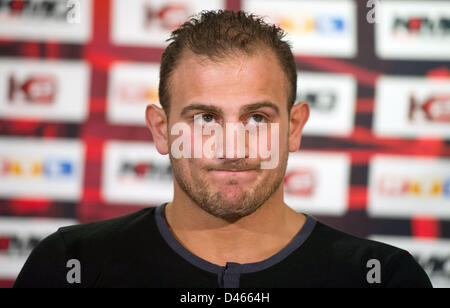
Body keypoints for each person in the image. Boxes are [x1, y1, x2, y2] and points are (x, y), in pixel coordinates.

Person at [14, 10, 432, 288]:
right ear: (161, 130)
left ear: (295, 127)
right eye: (204, 119)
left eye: (257, 118)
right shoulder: (70, 265)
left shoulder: (382, 277)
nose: (233, 148)